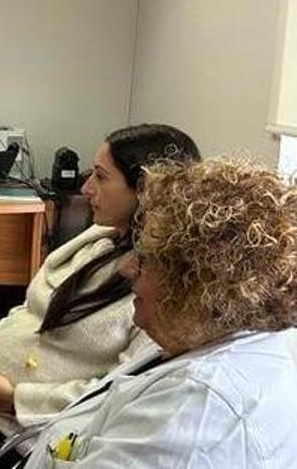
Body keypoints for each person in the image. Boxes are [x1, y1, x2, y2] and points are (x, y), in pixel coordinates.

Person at [0, 124, 200, 469]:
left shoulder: (157, 291)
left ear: (145, 190)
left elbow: (114, 395)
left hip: (14, 427)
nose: (85, 187)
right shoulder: (100, 238)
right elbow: (28, 312)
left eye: (101, 177)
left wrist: (15, 400)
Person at [17, 157, 297, 467]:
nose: (126, 267)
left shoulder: (194, 416)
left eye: (147, 259)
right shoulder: (201, 333)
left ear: (199, 285)